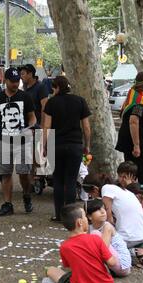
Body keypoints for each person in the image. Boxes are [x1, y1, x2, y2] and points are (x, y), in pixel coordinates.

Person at [0, 67, 37, 216]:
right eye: (12, 81)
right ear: (5, 81)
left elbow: (32, 116)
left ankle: (26, 195)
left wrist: (30, 127)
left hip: (22, 141)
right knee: (5, 174)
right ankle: (8, 204)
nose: (15, 84)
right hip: (4, 141)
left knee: (23, 173)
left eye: (17, 81)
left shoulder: (25, 97)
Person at [43, 76, 91, 222]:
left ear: (56, 87)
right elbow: (86, 127)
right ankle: (71, 217)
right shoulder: (80, 101)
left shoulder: (51, 102)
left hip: (56, 145)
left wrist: (44, 146)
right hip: (75, 145)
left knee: (58, 180)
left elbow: (47, 126)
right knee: (70, 181)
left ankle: (58, 214)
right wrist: (87, 145)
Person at [43, 204, 116, 283]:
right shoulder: (95, 239)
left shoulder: (65, 246)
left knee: (51, 270)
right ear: (80, 222)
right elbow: (112, 262)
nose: (87, 219)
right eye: (85, 216)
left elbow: (69, 266)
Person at [82, 173, 143, 267]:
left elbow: (108, 216)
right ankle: (140, 249)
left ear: (95, 189)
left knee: (100, 239)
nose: (93, 197)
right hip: (142, 234)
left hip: (129, 236)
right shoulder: (120, 189)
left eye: (91, 194)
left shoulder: (106, 189)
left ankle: (134, 252)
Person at [86, 199, 131, 277]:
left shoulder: (107, 226)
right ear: (89, 216)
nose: (103, 212)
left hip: (122, 265)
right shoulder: (89, 228)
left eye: (104, 208)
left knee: (95, 234)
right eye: (98, 210)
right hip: (112, 262)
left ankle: (100, 270)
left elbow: (104, 249)